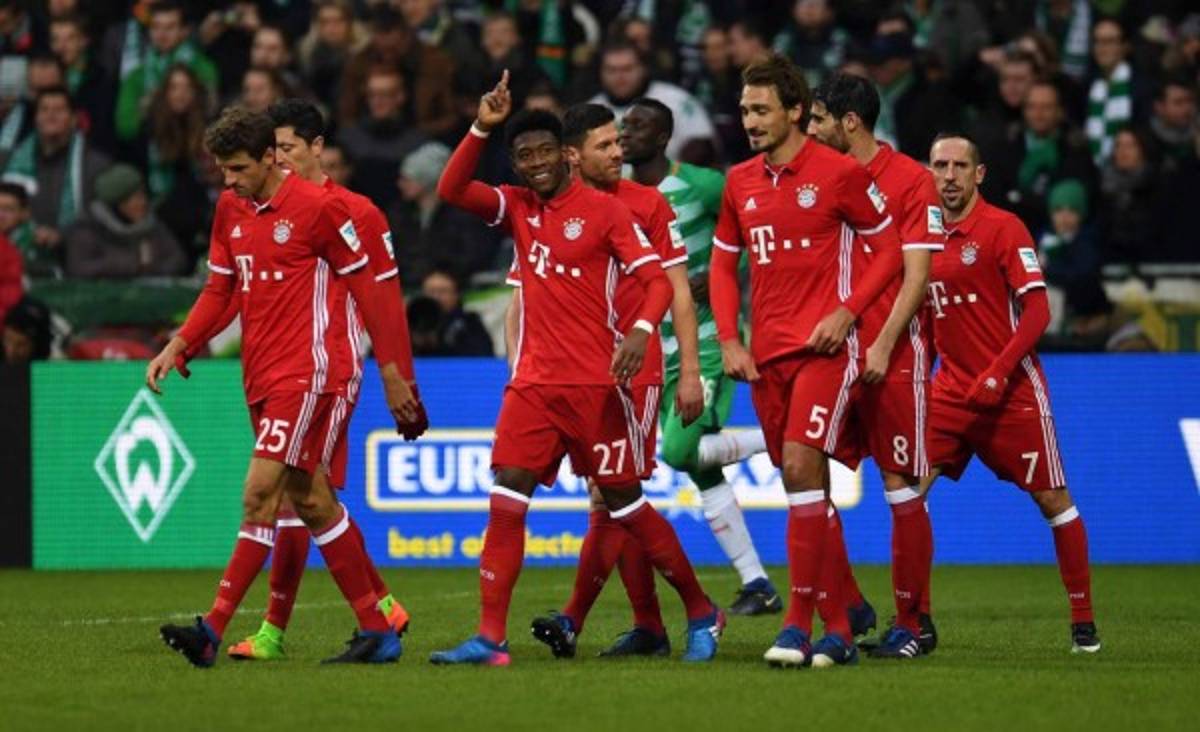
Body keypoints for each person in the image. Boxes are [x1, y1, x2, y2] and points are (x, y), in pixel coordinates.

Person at [433, 71, 723, 666]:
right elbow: (451, 187)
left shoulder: (608, 212)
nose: (535, 164)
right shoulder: (516, 207)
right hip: (534, 387)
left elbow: (656, 285)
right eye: (524, 156)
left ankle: (699, 608)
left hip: (598, 385)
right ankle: (491, 638)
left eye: (543, 152)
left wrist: (642, 334)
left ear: (563, 157)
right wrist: (481, 127)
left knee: (625, 506)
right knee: (506, 498)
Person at [147, 106, 421, 667]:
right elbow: (221, 291)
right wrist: (182, 343)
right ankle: (377, 626)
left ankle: (212, 629)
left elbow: (369, 288)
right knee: (312, 499)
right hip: (263, 374)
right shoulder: (230, 208)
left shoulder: (322, 209)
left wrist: (393, 370)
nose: (230, 179)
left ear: (273, 156)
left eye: (240, 168)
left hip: (312, 370)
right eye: (223, 169)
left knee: (259, 493)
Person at [708, 54, 904, 669]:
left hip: (825, 350)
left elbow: (889, 248)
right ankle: (841, 626)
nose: (750, 120)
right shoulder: (739, 180)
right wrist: (732, 340)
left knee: (797, 466)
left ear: (795, 110)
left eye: (761, 109)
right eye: (744, 110)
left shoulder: (839, 172)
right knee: (806, 487)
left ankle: (795, 625)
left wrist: (848, 311)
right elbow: (720, 264)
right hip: (764, 357)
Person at [525, 101, 707, 658]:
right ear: (572, 155)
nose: (619, 150)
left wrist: (690, 370)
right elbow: (522, 294)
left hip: (637, 369)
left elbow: (675, 285)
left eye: (618, 142)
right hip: (575, 373)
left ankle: (578, 617)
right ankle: (648, 625)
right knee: (609, 498)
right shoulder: (549, 206)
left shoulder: (647, 204)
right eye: (605, 145)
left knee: (612, 492)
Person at [922, 132, 1100, 654]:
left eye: (959, 165)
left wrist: (1000, 371)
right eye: (939, 165)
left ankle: (1083, 622)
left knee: (1053, 500)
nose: (949, 175)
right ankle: (915, 621)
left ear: (979, 174)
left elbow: (1038, 310)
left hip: (1012, 392)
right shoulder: (923, 239)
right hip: (949, 393)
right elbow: (929, 323)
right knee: (908, 493)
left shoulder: (1003, 228)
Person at [618, 96, 778, 617]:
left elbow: (754, 234)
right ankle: (757, 581)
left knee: (681, 451)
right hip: (647, 353)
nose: (627, 132)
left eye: (639, 126)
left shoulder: (705, 185)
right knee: (702, 467)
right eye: (625, 124)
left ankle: (785, 437)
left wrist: (721, 277)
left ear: (663, 138)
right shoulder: (610, 194)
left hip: (702, 345)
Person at [807, 72, 944, 658]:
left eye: (817, 119)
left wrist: (886, 343)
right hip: (827, 351)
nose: (808, 129)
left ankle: (913, 623)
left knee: (900, 485)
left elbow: (918, 273)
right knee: (804, 474)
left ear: (850, 122)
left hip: (892, 352)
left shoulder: (912, 180)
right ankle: (851, 602)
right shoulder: (816, 178)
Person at [2, 87, 111, 264]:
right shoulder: (9, 161)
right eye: (44, 110)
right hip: (17, 258)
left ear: (74, 118)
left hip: (78, 259)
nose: (50, 116)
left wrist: (62, 236)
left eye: (59, 110)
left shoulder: (97, 165)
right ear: (36, 118)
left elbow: (103, 215)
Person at [590, 40, 717, 166]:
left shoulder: (676, 99)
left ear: (643, 69)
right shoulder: (591, 111)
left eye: (627, 69)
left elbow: (702, 146)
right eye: (612, 70)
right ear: (600, 73)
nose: (620, 77)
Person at [63, 162, 187, 277]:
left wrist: (152, 269)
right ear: (118, 204)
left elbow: (177, 259)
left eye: (143, 195)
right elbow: (80, 268)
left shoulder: (152, 227)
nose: (143, 202)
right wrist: (132, 264)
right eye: (136, 198)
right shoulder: (88, 230)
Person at [420, 265, 494, 356]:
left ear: (456, 294)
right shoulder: (413, 322)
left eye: (443, 291)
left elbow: (482, 356)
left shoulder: (470, 322)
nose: (436, 297)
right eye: (431, 291)